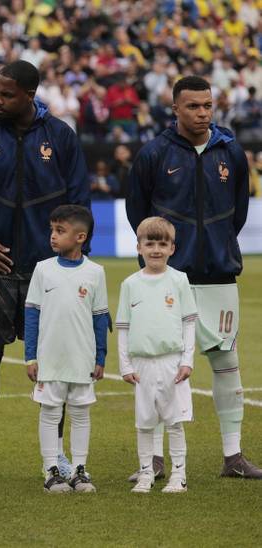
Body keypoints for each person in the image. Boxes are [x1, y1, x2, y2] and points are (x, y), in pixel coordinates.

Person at [0, 60, 90, 481]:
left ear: (30, 95)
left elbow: (79, 203)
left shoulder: (60, 136)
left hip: (48, 272)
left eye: (7, 94)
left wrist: (65, 259)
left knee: (53, 367)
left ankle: (57, 456)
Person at [127, 75, 261, 479]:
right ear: (175, 109)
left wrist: (218, 243)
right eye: (193, 106)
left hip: (219, 275)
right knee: (160, 367)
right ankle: (154, 460)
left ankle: (233, 457)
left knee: (226, 362)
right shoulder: (154, 153)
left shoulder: (231, 151)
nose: (202, 113)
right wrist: (164, 257)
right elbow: (139, 215)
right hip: (167, 277)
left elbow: (238, 211)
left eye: (207, 106)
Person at [24, 205, 108, 494]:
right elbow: (32, 314)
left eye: (60, 231)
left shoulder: (96, 272)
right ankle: (51, 471)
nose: (53, 236)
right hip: (50, 358)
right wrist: (30, 356)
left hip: (81, 358)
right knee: (50, 413)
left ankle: (79, 470)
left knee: (81, 413)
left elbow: (100, 318)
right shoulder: (42, 269)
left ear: (80, 237)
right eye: (52, 230)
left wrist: (100, 357)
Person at [117, 217, 197, 494]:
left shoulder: (179, 280)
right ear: (138, 247)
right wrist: (125, 365)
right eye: (149, 244)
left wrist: (187, 360)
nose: (156, 250)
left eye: (162, 244)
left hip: (171, 362)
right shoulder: (130, 284)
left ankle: (179, 475)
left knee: (174, 422)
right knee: (145, 422)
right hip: (141, 364)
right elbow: (123, 327)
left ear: (172, 248)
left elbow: (189, 323)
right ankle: (146, 473)